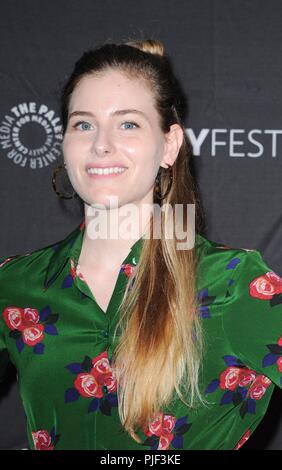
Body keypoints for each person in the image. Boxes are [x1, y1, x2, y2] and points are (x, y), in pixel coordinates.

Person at [0, 39, 282, 451]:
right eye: (83, 124)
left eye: (128, 123)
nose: (101, 144)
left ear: (169, 145)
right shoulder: (16, 283)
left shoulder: (233, 283)